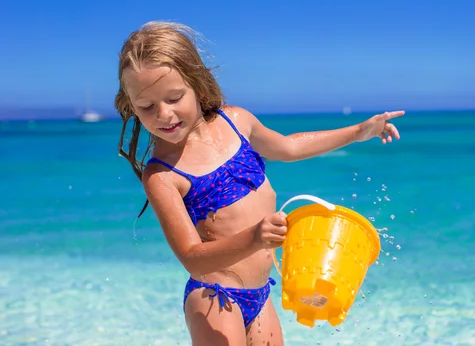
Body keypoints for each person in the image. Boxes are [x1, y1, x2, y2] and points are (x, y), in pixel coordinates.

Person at [114, 21, 404, 346]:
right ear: (131, 105)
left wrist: (358, 132)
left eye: (174, 98)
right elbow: (192, 258)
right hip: (215, 298)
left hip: (261, 296)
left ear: (197, 83)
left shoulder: (236, 121)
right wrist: (254, 237)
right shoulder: (163, 175)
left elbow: (290, 147)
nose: (164, 114)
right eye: (147, 107)